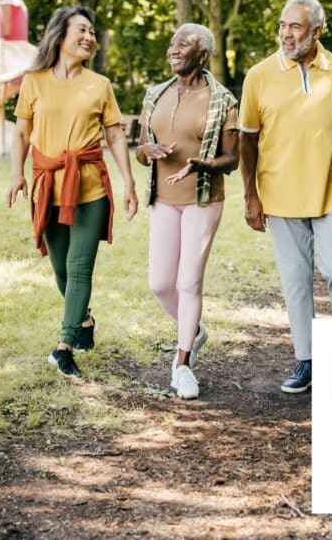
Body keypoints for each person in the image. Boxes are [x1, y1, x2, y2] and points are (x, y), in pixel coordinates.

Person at [7, 6, 138, 378]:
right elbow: (21, 133)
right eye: (81, 29)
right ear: (60, 35)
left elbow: (113, 134)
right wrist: (17, 174)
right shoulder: (34, 81)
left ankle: (64, 346)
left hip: (89, 187)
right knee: (61, 268)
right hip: (47, 187)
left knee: (79, 268)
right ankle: (84, 320)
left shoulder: (100, 85)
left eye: (92, 31)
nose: (89, 36)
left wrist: (128, 181)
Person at [239, 0, 332, 394]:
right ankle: (306, 360)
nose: (286, 34)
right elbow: (248, 140)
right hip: (280, 194)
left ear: (316, 32)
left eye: (295, 27)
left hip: (330, 193)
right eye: (283, 25)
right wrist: (251, 196)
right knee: (295, 280)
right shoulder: (259, 75)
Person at [136, 23, 239, 400]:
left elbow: (232, 158)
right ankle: (193, 330)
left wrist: (205, 164)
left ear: (204, 54)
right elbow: (141, 147)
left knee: (188, 282)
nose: (174, 49)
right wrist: (148, 152)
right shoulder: (155, 95)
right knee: (160, 284)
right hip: (163, 199)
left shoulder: (222, 100)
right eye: (172, 43)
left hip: (202, 199)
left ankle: (183, 365)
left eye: (184, 44)